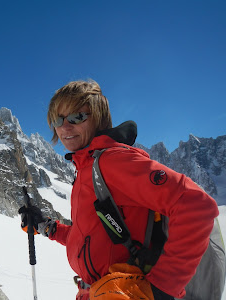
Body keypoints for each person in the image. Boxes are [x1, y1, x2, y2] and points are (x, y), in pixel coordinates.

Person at [19, 80, 219, 299]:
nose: (66, 127)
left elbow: (197, 204)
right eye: (58, 120)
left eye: (77, 117)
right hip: (94, 292)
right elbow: (88, 237)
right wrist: (46, 227)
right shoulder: (86, 168)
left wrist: (162, 287)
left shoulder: (112, 162)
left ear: (99, 117)